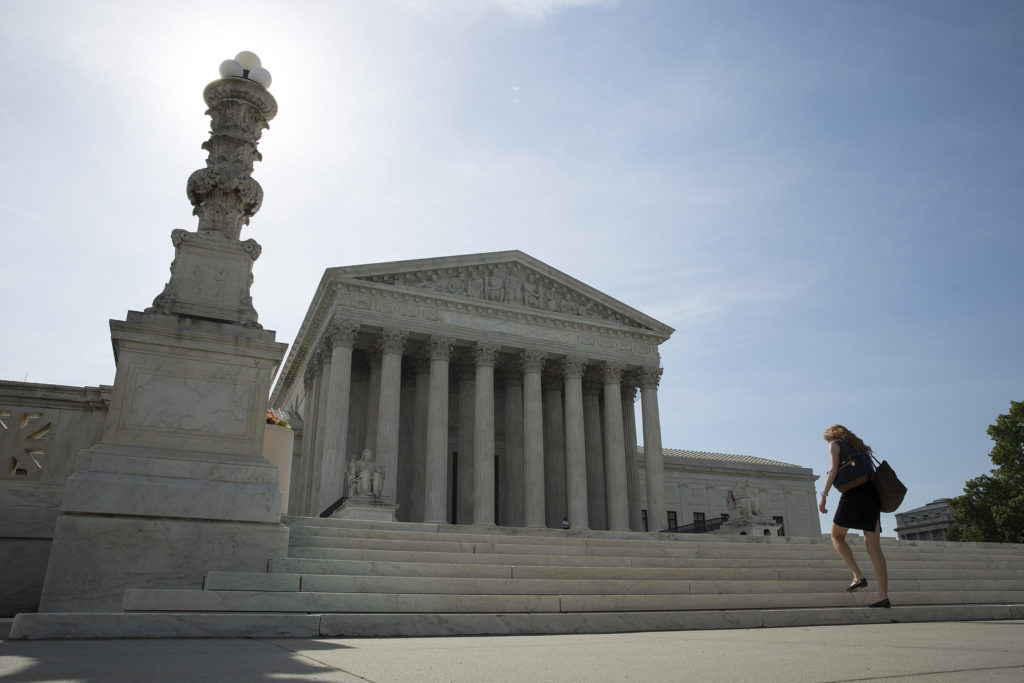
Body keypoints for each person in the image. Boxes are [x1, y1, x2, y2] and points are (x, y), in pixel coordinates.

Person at [818, 424, 890, 608]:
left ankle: (858, 575)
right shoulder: (861, 447)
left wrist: (823, 496)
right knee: (874, 546)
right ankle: (883, 596)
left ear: (830, 436)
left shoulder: (835, 444)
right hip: (872, 494)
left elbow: (834, 470)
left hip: (853, 494)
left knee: (836, 536)